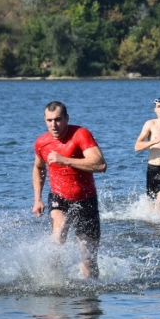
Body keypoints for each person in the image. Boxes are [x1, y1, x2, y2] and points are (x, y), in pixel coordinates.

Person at [33, 101, 107, 279]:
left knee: (88, 259)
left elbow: (100, 165)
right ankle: (54, 283)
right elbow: (38, 168)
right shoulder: (42, 142)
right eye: (49, 120)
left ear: (66, 118)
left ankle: (90, 301)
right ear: (44, 120)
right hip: (59, 197)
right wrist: (37, 199)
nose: (54, 125)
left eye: (58, 120)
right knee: (58, 235)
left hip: (86, 199)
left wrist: (64, 160)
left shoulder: (80, 134)